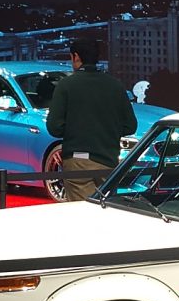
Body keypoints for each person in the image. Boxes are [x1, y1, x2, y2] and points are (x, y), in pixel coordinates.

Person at [45, 40, 135, 202]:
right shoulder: (115, 85)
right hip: (109, 160)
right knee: (107, 209)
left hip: (78, 161)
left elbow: (54, 127)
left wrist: (76, 130)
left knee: (82, 212)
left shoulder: (66, 85)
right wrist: (108, 131)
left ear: (76, 56)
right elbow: (130, 126)